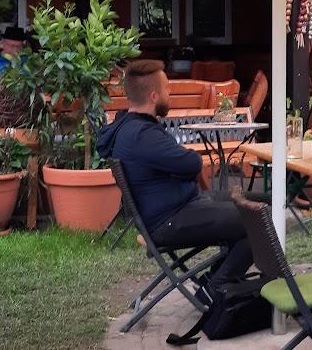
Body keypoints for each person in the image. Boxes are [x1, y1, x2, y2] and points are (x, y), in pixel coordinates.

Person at [96, 59, 251, 296]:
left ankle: (215, 280)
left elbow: (179, 165)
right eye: (167, 89)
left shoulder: (129, 127)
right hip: (169, 220)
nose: (170, 94)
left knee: (258, 201)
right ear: (154, 96)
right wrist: (183, 165)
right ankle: (215, 289)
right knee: (255, 219)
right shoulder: (143, 135)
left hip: (176, 208)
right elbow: (192, 163)